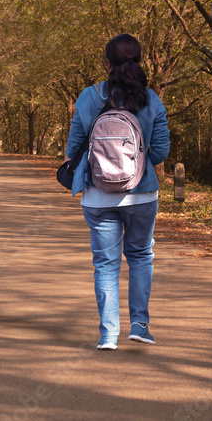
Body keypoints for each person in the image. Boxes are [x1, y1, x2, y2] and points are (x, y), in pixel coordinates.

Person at [64, 33, 170, 350]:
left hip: (97, 196)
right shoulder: (150, 99)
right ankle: (140, 325)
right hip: (142, 196)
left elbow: (73, 147)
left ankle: (109, 334)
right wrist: (137, 169)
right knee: (139, 257)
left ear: (106, 63)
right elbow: (161, 149)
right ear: (138, 61)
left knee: (106, 264)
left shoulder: (88, 96)